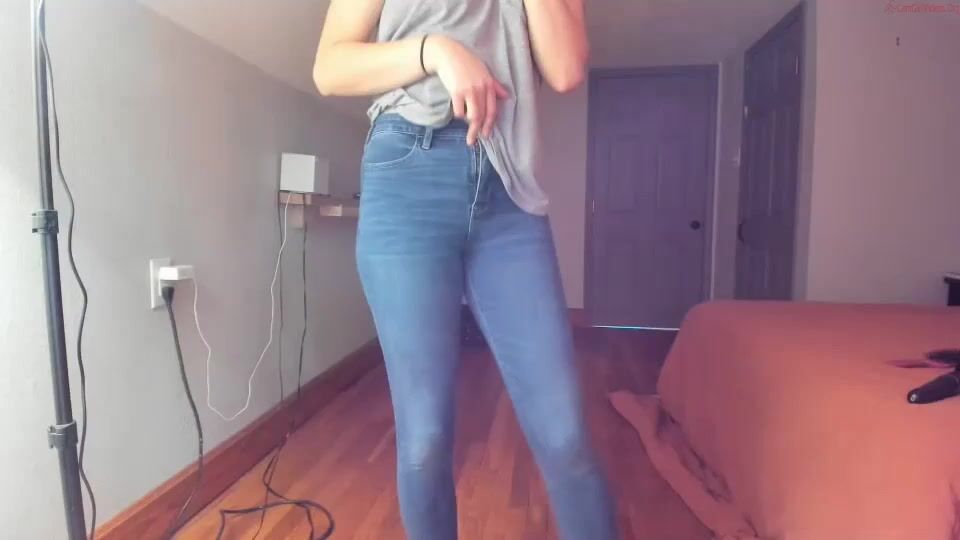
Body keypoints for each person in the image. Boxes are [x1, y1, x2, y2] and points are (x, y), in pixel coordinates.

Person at [313, 1, 617, 539]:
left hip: (508, 194)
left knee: (565, 435)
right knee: (424, 440)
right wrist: (434, 52)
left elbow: (566, 69)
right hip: (408, 174)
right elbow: (330, 68)